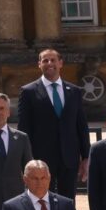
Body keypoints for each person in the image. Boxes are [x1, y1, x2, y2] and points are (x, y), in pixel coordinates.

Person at [17, 48, 91, 200]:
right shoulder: (28, 91)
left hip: (69, 157)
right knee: (41, 198)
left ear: (61, 63)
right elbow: (24, 128)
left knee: (68, 200)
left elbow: (81, 125)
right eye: (45, 60)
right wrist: (25, 158)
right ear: (39, 64)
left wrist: (85, 156)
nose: (49, 63)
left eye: (53, 60)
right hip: (41, 158)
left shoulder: (74, 91)